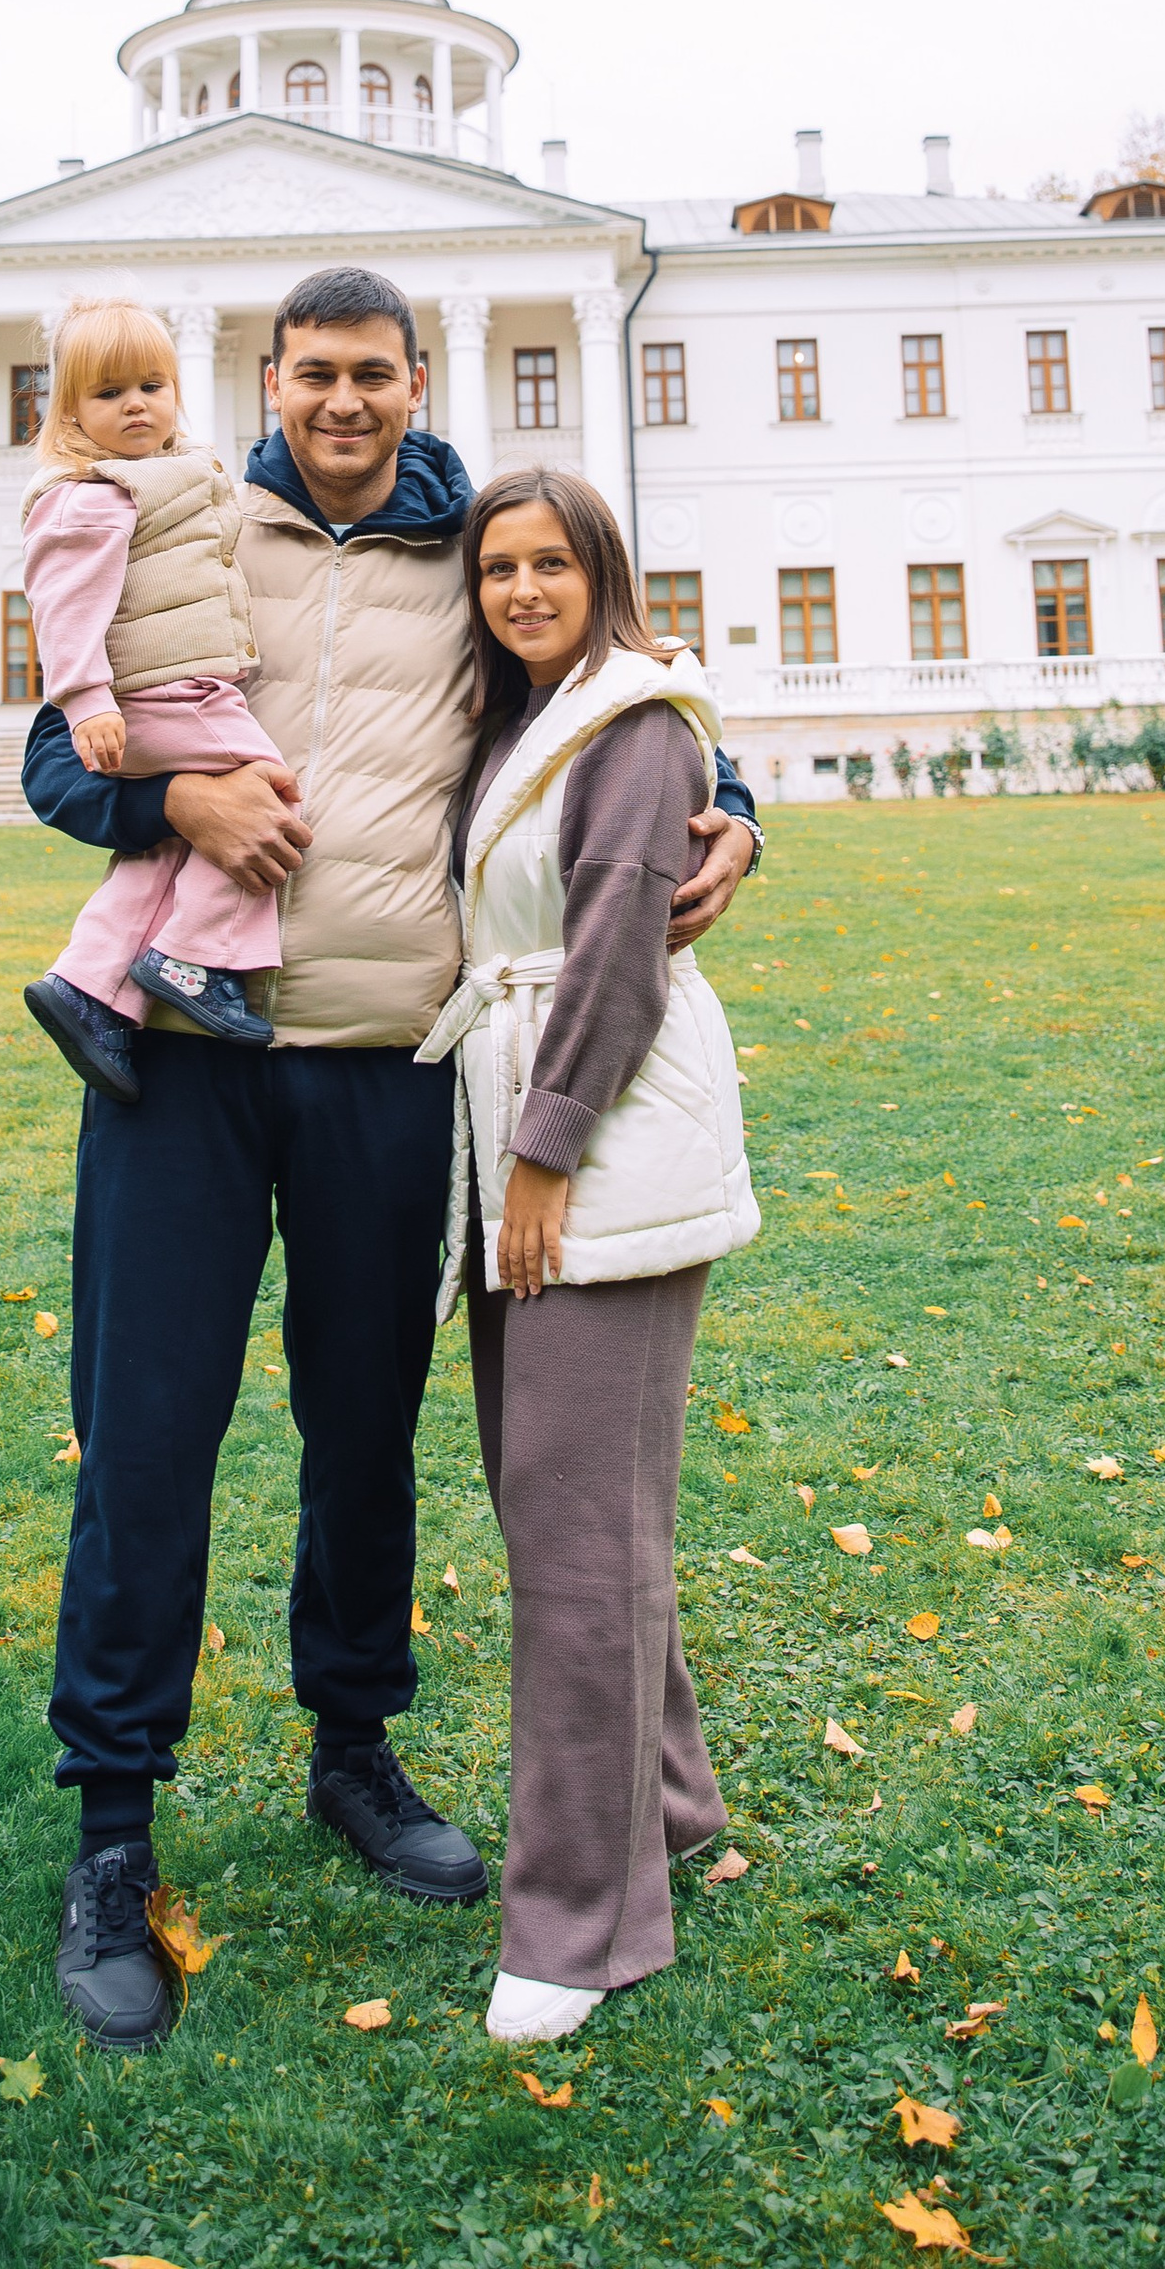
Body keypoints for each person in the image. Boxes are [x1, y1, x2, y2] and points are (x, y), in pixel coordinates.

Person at [21, 266, 763, 2053]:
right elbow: (60, 749)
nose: (342, 402)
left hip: (379, 1073)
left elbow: (614, 690)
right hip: (186, 1067)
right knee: (143, 1443)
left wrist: (745, 808)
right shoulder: (184, 508)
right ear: (266, 381)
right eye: (312, 375)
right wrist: (169, 801)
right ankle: (112, 1830)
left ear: (416, 383)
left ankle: (352, 1752)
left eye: (373, 376)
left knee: (364, 1439)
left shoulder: (471, 552)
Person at [420, 466, 759, 2045]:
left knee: (575, 1537)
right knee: (566, 1509)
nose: (522, 589)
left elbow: (623, 924)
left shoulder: (634, 721)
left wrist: (545, 1147)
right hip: (523, 1122)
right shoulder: (528, 715)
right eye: (499, 566)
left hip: (591, 1131)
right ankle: (672, 1808)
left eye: (552, 563)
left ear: (601, 571)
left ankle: (581, 1922)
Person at [16, 300, 287, 1100]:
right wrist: (86, 700)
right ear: (69, 412)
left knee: (169, 847)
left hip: (183, 687)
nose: (136, 405)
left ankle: (88, 988)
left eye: (151, 385)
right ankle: (197, 960)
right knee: (268, 797)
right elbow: (65, 611)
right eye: (108, 394)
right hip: (160, 697)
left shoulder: (169, 478)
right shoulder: (91, 497)